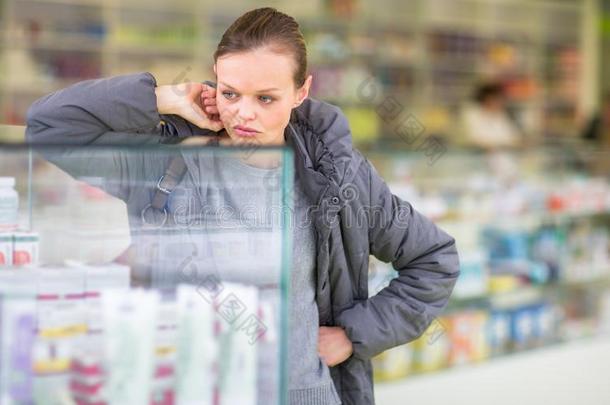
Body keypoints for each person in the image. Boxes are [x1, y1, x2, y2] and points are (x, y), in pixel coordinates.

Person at [25, 7, 460, 405]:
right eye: (230, 93)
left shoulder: (339, 175)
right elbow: (47, 126)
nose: (243, 114)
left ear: (301, 91)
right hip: (187, 391)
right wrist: (164, 96)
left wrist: (352, 335)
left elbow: (434, 258)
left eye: (265, 98)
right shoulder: (168, 160)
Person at [459, 82, 523, 150]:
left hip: (504, 154)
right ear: (486, 99)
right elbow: (473, 139)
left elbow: (515, 139)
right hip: (476, 155)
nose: (499, 102)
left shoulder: (503, 115)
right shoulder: (471, 114)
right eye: (495, 98)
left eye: (501, 99)